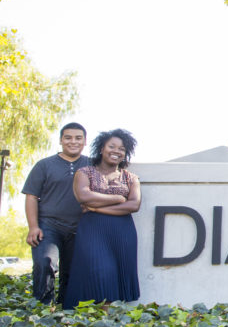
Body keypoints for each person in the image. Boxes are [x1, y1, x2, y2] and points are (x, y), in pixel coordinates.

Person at [62, 129, 142, 309]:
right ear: (101, 149)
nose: (116, 151)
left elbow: (133, 205)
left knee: (115, 276)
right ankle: (94, 321)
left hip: (122, 232)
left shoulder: (131, 178)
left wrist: (97, 207)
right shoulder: (85, 172)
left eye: (121, 148)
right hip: (92, 231)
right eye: (111, 146)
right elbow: (84, 196)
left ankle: (107, 323)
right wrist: (118, 199)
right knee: (100, 271)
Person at [22, 122, 91, 304]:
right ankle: (43, 309)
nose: (73, 141)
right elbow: (31, 197)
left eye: (78, 138)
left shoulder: (92, 165)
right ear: (61, 140)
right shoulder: (44, 165)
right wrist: (33, 226)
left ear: (85, 141)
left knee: (73, 271)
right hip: (48, 225)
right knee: (45, 262)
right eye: (68, 137)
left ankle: (67, 311)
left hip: (80, 227)